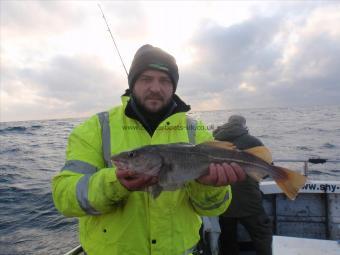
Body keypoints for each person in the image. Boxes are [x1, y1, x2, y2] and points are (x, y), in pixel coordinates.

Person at [52, 44, 246, 255]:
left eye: (164, 80)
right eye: (146, 79)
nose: (155, 88)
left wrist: (210, 186)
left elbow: (215, 208)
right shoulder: (96, 128)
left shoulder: (196, 130)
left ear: (173, 87)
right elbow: (65, 198)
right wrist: (115, 184)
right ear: (133, 83)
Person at [213, 115, 273, 255]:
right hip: (249, 201)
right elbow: (266, 171)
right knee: (262, 235)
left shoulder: (215, 139)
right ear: (243, 124)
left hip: (223, 201)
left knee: (227, 240)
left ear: (228, 122)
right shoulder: (252, 141)